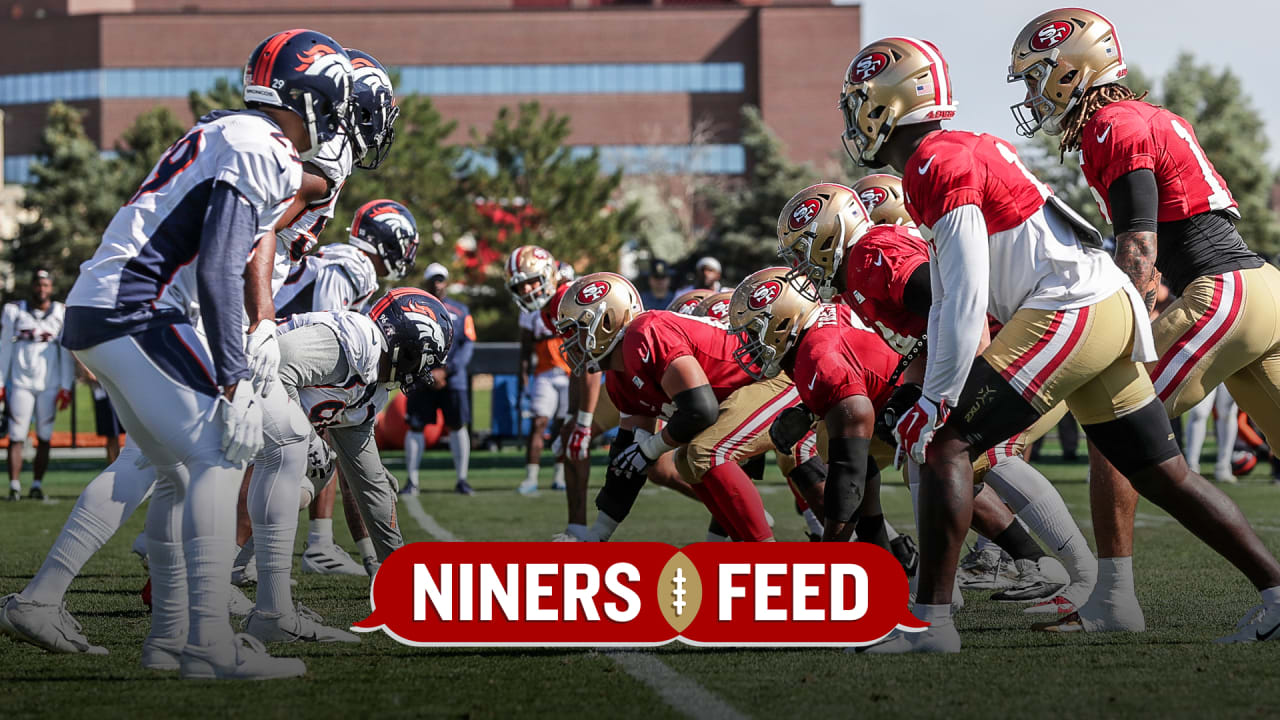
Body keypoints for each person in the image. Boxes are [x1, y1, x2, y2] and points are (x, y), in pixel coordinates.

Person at [838, 35, 1280, 652]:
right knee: (1163, 474)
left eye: (858, 102)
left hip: (1073, 304)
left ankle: (931, 624)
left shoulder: (938, 162)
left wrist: (936, 398)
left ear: (884, 103)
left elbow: (965, 297)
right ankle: (1277, 592)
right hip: (1101, 302)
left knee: (943, 443)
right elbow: (948, 296)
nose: (852, 118)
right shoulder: (946, 155)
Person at [1, 30, 352, 679]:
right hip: (134, 307)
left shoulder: (231, 131)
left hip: (105, 303)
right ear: (309, 98)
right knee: (219, 451)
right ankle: (206, 645)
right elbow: (222, 264)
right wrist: (233, 376)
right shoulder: (263, 146)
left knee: (175, 474)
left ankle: (169, 640)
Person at [1009, 8, 1280, 638]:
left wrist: (1125, 316)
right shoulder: (1146, 117)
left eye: (1036, 77)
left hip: (1223, 291)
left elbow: (1138, 243)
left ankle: (1114, 599)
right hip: (1260, 288)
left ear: (1072, 69)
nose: (1031, 94)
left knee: (1119, 424)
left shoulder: (1112, 122)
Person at [777, 179, 1092, 610]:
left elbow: (957, 305)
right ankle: (942, 588)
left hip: (997, 343)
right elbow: (927, 326)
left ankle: (1075, 572)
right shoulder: (859, 268)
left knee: (979, 453)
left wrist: (954, 382)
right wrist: (913, 389)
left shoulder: (872, 253)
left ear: (831, 233)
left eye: (803, 248)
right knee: (925, 452)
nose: (801, 263)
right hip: (982, 346)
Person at [242, 288, 451, 643]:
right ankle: (215, 583)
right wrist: (308, 441)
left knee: (318, 481)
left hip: (254, 408)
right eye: (426, 356)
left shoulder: (374, 386)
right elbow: (273, 366)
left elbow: (370, 488)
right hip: (231, 386)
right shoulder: (356, 345)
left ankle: (253, 597)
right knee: (295, 462)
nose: (426, 368)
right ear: (405, 342)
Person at [559, 273, 793, 543]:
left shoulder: (645, 333)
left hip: (776, 378)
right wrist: (598, 535)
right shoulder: (618, 376)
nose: (570, 342)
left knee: (706, 451)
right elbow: (627, 461)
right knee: (687, 461)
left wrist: (651, 448)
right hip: (741, 395)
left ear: (608, 320)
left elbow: (700, 411)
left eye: (577, 330)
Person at [403, 262, 476, 496]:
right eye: (433, 280)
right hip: (421, 378)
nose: (438, 284)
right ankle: (412, 481)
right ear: (426, 282)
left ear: (447, 281)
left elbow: (468, 345)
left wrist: (447, 371)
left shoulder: (461, 311)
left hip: (453, 380)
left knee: (457, 425)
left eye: (441, 279)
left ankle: (462, 479)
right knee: (416, 425)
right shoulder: (411, 309)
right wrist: (426, 372)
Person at [0, 269, 74, 501]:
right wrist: (1, 382)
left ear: (51, 288)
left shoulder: (60, 313)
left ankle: (36, 484)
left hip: (49, 385)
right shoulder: (15, 311)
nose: (41, 289)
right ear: (32, 286)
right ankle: (14, 485)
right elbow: (5, 348)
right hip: (21, 383)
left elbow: (66, 352)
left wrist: (66, 386)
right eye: (38, 284)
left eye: (46, 285)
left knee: (44, 436)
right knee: (16, 435)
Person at [505, 245, 570, 496]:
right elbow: (525, 346)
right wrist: (523, 375)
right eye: (521, 286)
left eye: (531, 283)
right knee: (539, 423)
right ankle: (531, 476)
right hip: (544, 371)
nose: (526, 291)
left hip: (569, 370)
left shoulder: (566, 299)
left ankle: (560, 474)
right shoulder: (531, 312)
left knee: (564, 426)